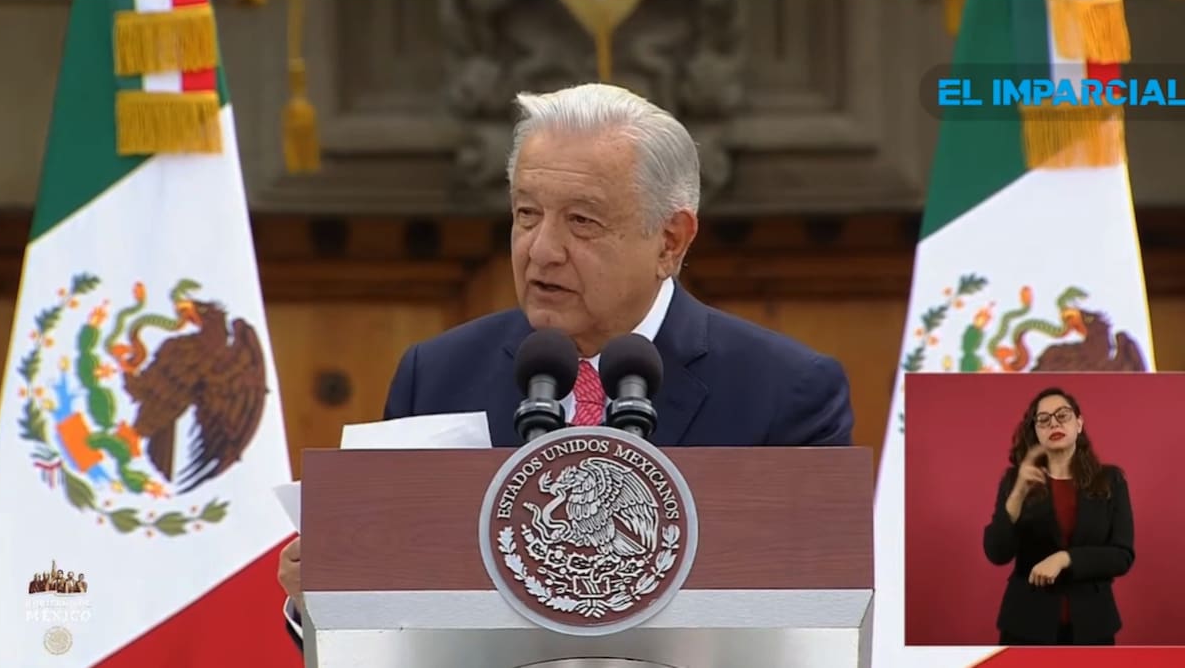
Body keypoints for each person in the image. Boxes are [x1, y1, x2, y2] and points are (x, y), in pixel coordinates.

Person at [278, 82, 856, 646]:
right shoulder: (437, 375)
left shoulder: (786, 393)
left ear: (670, 241)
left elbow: (812, 631)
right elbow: (388, 634)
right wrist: (323, 603)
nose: (542, 249)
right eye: (527, 214)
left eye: (582, 221)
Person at [983, 386, 1134, 646]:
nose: (1054, 423)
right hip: (1026, 625)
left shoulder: (1111, 480)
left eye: (1062, 415)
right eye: (1043, 419)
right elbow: (997, 553)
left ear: (1079, 423)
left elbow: (1122, 556)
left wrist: (1066, 559)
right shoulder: (1016, 480)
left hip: (1092, 625)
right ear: (1036, 432)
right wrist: (1017, 494)